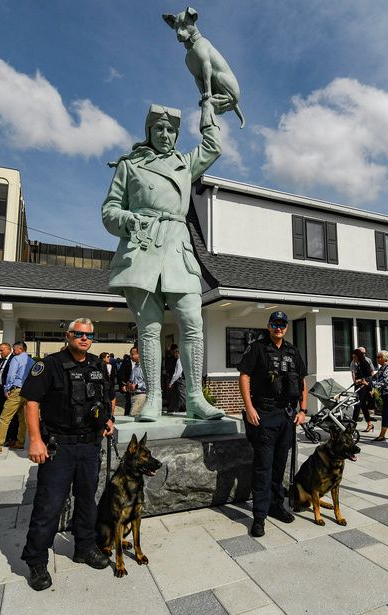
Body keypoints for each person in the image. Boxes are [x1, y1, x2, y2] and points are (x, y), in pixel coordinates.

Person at [102, 97, 228, 422]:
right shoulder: (129, 165)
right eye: (158, 128)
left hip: (177, 246)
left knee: (193, 322)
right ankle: (154, 398)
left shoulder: (185, 164)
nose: (165, 134)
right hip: (142, 247)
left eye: (171, 130)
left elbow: (213, 146)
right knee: (149, 328)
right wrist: (127, 220)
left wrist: (208, 110)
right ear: (149, 131)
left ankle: (196, 398)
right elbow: (109, 209)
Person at [20, 318, 114, 591]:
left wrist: (109, 420)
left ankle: (84, 547)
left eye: (89, 335)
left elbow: (105, 398)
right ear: (68, 335)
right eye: (79, 334)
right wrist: (35, 441)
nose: (85, 338)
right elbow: (32, 403)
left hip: (89, 446)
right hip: (58, 447)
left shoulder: (98, 364)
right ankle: (36, 561)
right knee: (49, 505)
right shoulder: (49, 365)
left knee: (87, 501)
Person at [238, 311, 308, 537]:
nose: (278, 327)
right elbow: (244, 376)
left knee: (280, 465)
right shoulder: (257, 348)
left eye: (282, 324)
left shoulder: (292, 351)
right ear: (268, 326)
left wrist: (303, 410)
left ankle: (276, 505)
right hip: (264, 414)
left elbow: (302, 380)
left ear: (286, 327)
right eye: (274, 324)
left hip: (287, 415)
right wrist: (249, 408)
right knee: (263, 467)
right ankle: (259, 517)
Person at [0, 341, 32, 454]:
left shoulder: (16, 359)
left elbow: (10, 375)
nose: (14, 351)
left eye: (14, 349)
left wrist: (7, 389)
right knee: (22, 419)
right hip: (27, 391)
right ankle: (20, 442)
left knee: (4, 418)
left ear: (19, 349)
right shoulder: (31, 361)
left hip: (16, 390)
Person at [351, 349, 375, 433]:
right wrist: (356, 381)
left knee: (357, 405)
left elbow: (370, 377)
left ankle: (352, 426)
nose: (354, 359)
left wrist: (361, 380)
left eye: (355, 357)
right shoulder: (358, 363)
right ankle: (369, 424)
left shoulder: (364, 363)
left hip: (364, 387)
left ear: (358, 356)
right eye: (353, 357)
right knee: (363, 406)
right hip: (359, 387)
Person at [124, 346, 148, 417]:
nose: (131, 356)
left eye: (132, 354)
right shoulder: (135, 367)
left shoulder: (144, 367)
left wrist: (136, 385)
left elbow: (147, 382)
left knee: (133, 415)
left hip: (141, 395)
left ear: (139, 354)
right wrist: (129, 385)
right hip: (133, 395)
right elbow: (132, 380)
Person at [164, 344, 186, 413]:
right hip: (174, 378)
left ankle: (184, 408)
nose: (174, 354)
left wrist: (171, 382)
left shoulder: (179, 360)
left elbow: (177, 372)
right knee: (174, 395)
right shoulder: (173, 359)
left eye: (175, 352)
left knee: (181, 395)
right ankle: (172, 409)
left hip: (179, 379)